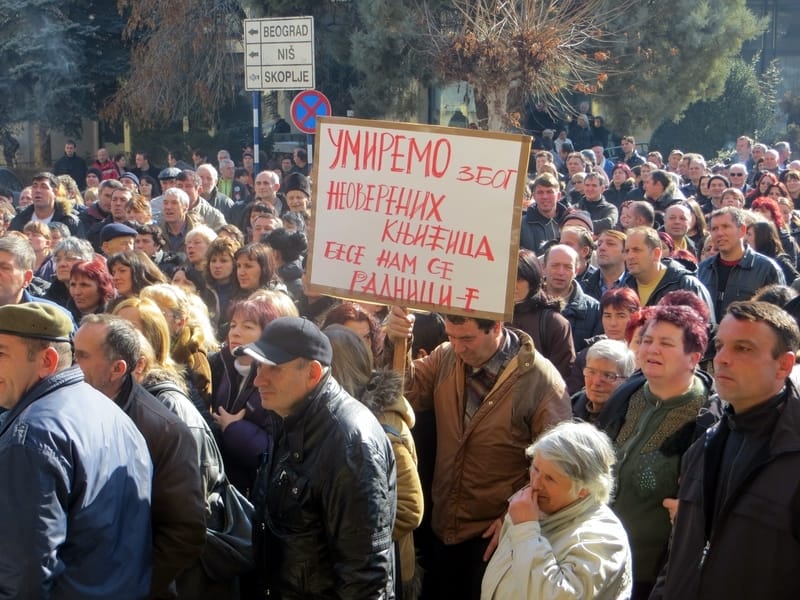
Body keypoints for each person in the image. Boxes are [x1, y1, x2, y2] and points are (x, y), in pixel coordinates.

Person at [385, 306, 571, 599]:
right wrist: (398, 342)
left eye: (467, 338)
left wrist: (515, 515)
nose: (458, 347)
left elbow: (557, 464)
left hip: (493, 538)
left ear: (496, 326)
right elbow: (405, 394)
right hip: (442, 525)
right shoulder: (445, 355)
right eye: (451, 336)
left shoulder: (540, 379)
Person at [0, 303, 153, 598]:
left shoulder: (32, 436)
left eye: (1, 353)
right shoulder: (113, 414)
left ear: (47, 360)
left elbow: (25, 572)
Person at [652, 301, 800, 599]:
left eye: (743, 348)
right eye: (720, 346)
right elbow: (681, 553)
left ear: (784, 364)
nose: (722, 359)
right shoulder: (705, 446)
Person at [241, 316, 397, 597]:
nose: (258, 379)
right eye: (259, 365)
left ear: (313, 373)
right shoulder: (287, 412)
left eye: (273, 368)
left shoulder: (351, 443)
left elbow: (365, 576)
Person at [73, 314, 207, 598]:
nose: (72, 365)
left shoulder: (165, 431)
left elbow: (183, 533)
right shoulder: (68, 410)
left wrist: (130, 586)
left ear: (117, 369)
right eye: (73, 353)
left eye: (82, 356)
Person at [597, 305, 717, 599]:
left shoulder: (708, 422)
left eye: (666, 343)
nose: (652, 349)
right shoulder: (626, 394)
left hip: (650, 576)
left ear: (694, 358)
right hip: (595, 558)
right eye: (648, 340)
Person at [324, 324, 424, 599]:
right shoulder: (341, 414)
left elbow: (409, 507)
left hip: (383, 570)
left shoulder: (382, 424)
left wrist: (353, 539)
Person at [481, 421, 633, 600]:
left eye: (550, 479)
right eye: (535, 469)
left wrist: (525, 530)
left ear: (584, 488)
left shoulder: (603, 537)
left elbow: (559, 596)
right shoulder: (531, 507)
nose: (535, 484)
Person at [698, 207, 785, 319]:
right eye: (714, 228)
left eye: (726, 227)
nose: (719, 233)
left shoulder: (767, 269)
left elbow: (780, 316)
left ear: (742, 230)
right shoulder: (703, 269)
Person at [623, 226, 715, 320]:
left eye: (636, 250)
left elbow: (706, 327)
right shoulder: (624, 287)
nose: (630, 256)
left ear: (656, 253)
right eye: (627, 251)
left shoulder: (687, 285)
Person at [511, 248, 575, 380]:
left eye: (519, 279)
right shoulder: (492, 316)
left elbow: (562, 376)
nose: (513, 285)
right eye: (508, 277)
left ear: (533, 280)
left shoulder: (554, 323)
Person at [571, 339, 635, 423]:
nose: (596, 382)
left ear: (626, 380)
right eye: (591, 372)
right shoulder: (572, 404)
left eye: (608, 376)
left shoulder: (629, 419)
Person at [519, 173, 568, 254]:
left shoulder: (569, 222)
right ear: (534, 196)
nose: (545, 197)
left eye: (549, 192)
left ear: (559, 196)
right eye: (540, 192)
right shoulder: (522, 224)